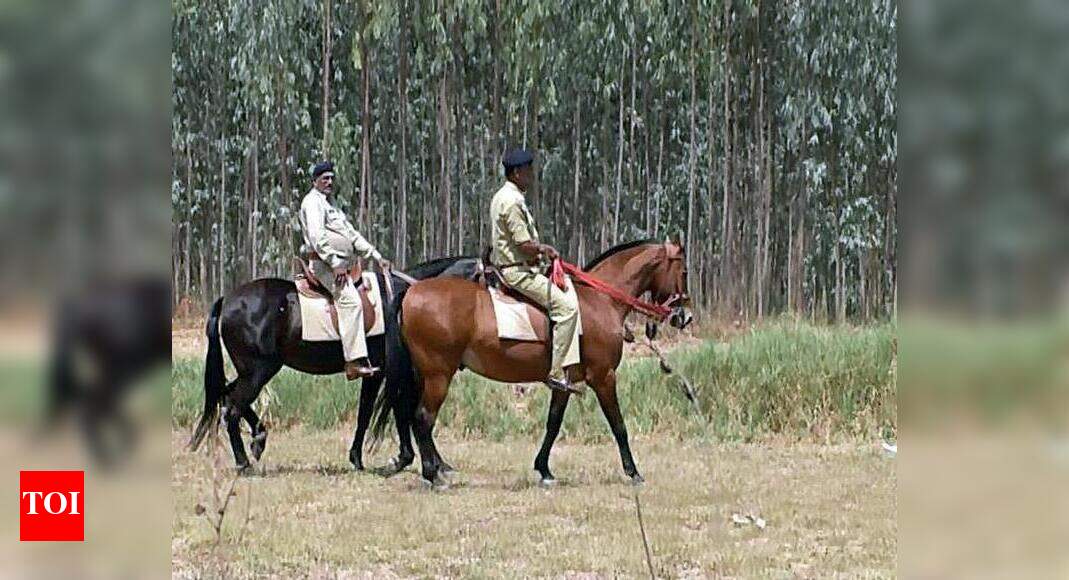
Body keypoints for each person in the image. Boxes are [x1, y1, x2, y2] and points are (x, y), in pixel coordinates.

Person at [489, 149, 581, 394]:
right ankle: (557, 372)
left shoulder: (501, 196)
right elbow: (523, 245)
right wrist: (544, 250)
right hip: (517, 272)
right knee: (567, 308)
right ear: (516, 173)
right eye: (528, 171)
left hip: (515, 267)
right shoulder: (512, 201)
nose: (531, 176)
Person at [299, 161, 390, 380]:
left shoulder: (332, 205)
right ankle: (353, 361)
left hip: (342, 265)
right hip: (324, 266)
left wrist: (376, 256)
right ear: (315, 181)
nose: (329, 182)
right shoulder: (312, 203)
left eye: (331, 178)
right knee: (351, 301)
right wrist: (335, 262)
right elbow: (317, 238)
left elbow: (352, 235)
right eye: (325, 178)